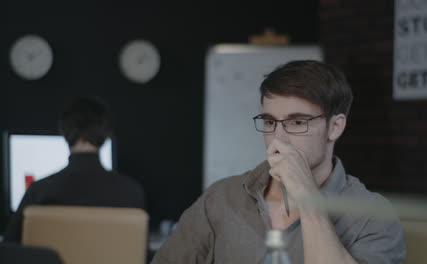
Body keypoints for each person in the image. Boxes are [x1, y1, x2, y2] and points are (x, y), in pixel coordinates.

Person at [151, 60, 406, 264]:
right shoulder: (221, 198)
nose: (278, 137)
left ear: (335, 127)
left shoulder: (372, 217)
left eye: (297, 122)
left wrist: (306, 196)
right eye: (270, 122)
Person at [3, 97, 146, 242]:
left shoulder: (38, 192)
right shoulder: (132, 193)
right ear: (106, 134)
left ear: (64, 133)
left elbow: (9, 249)